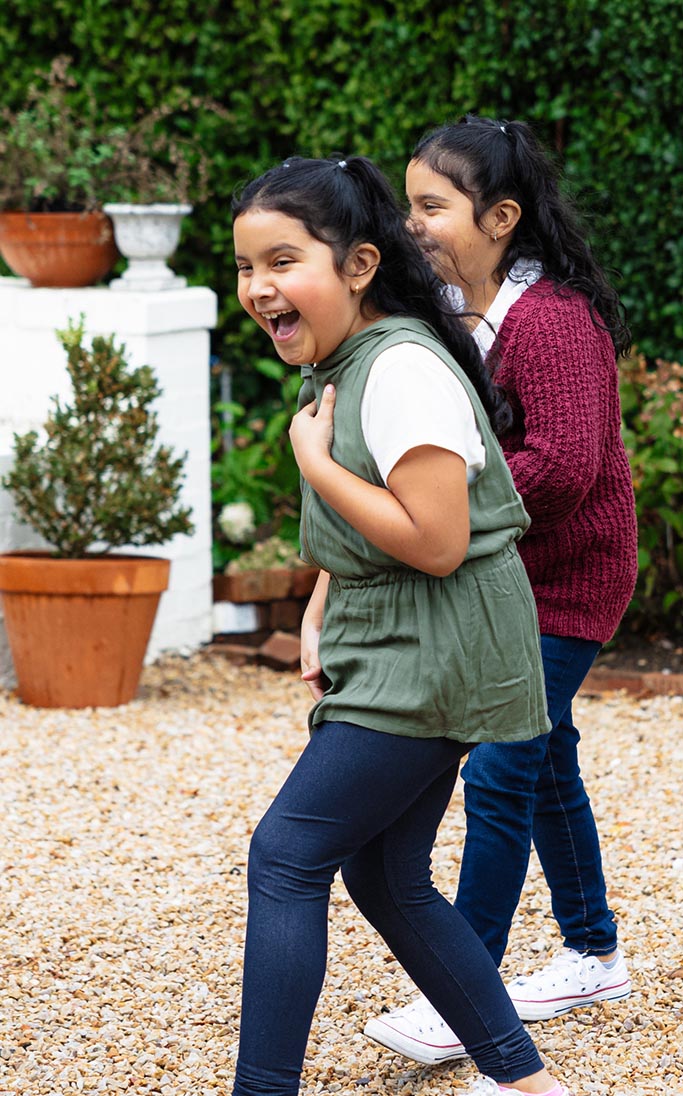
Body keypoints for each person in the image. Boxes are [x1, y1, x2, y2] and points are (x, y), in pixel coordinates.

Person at [231, 153, 573, 1096]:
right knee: (386, 875)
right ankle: (526, 1083)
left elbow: (434, 538)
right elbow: (377, 529)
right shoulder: (352, 361)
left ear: (359, 265)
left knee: (286, 854)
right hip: (415, 642)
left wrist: (316, 465)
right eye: (246, 267)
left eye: (283, 261)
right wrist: (320, 602)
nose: (259, 289)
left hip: (434, 651)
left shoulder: (401, 369)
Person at [363, 115, 638, 1066]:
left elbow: (564, 463)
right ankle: (592, 949)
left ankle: (462, 991)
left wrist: (434, 513)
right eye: (409, 203)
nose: (413, 222)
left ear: (501, 217)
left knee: (503, 767)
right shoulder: (445, 308)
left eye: (432, 205)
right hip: (506, 574)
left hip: (567, 578)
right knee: (547, 753)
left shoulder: (551, 320)